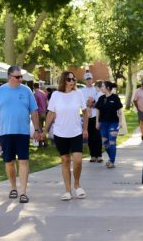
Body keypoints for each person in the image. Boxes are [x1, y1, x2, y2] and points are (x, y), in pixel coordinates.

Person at [0, 65, 42, 203]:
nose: (20, 79)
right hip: (6, 132)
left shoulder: (26, 91)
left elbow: (34, 111)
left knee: (23, 161)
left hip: (23, 132)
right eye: (17, 77)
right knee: (9, 162)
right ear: (9, 77)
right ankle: (13, 187)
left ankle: (23, 192)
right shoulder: (0, 91)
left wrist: (37, 130)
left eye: (21, 77)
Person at [44, 70, 89, 200]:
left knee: (78, 160)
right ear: (63, 81)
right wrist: (45, 131)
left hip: (76, 132)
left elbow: (85, 113)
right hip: (60, 133)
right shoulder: (56, 95)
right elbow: (50, 114)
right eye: (69, 79)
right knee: (65, 161)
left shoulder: (78, 94)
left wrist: (85, 129)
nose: (72, 82)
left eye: (73, 79)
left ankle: (77, 184)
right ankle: (68, 190)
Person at [96, 81, 123, 168]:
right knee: (105, 144)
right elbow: (97, 111)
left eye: (103, 86)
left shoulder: (115, 98)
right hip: (103, 123)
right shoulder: (101, 98)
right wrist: (97, 122)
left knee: (112, 142)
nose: (101, 87)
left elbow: (120, 111)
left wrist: (120, 121)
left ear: (107, 88)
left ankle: (112, 161)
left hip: (114, 123)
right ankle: (110, 159)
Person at [81, 71, 103, 162]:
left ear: (92, 79)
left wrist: (93, 104)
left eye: (90, 79)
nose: (89, 81)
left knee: (97, 135)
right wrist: (87, 104)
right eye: (87, 79)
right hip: (87, 116)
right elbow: (81, 103)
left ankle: (99, 155)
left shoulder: (96, 89)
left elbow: (100, 102)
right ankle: (93, 155)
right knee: (89, 136)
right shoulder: (82, 91)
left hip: (96, 115)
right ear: (84, 80)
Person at [33, 81, 49, 148]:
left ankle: (40, 143)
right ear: (38, 86)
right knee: (44, 129)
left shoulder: (35, 94)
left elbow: (35, 105)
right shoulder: (43, 93)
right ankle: (45, 143)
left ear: (34, 87)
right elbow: (47, 103)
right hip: (44, 112)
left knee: (39, 129)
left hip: (39, 113)